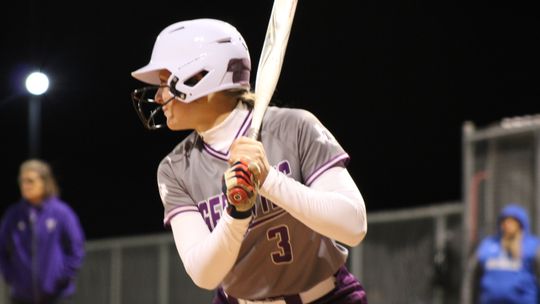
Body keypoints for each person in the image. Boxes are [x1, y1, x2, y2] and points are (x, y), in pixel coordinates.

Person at [130, 18, 368, 304]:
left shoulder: (293, 127)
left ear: (198, 77)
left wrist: (269, 180)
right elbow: (204, 274)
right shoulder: (175, 168)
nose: (157, 95)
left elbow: (353, 226)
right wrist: (237, 213)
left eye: (164, 82)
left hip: (326, 298)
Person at [0, 159, 86, 304]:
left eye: (30, 181)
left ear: (44, 182)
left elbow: (77, 248)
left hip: (56, 296)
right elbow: (1, 248)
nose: (25, 185)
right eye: (22, 181)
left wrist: (62, 277)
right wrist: (10, 276)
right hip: (22, 296)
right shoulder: (14, 215)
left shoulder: (61, 212)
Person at [463, 203, 540, 304]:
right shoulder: (488, 245)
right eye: (504, 221)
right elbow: (472, 277)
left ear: (520, 224)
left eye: (511, 221)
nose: (507, 224)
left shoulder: (533, 246)